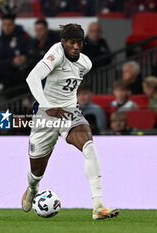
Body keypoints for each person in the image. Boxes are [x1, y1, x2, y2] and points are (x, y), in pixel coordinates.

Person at [22, 23, 119, 220]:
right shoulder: (56, 53)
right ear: (63, 42)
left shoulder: (86, 63)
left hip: (69, 113)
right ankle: (32, 188)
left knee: (89, 146)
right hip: (46, 116)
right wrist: (46, 105)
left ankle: (98, 205)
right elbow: (32, 78)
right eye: (72, 43)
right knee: (36, 172)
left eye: (79, 43)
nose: (76, 47)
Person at [0, 13, 30, 88]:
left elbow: (28, 56)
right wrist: (11, 62)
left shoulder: (22, 39)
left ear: (14, 25)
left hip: (15, 77)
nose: (7, 27)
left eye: (9, 24)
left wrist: (24, 59)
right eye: (4, 24)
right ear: (1, 26)